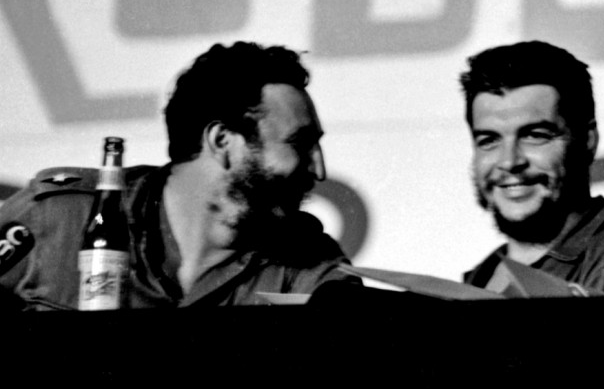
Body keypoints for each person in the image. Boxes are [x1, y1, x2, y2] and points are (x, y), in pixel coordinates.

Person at [0, 41, 360, 310]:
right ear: (222, 141)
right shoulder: (56, 220)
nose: (319, 169)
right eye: (300, 144)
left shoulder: (308, 265)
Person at [458, 40, 604, 295]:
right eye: (489, 140)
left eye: (535, 135)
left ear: (587, 141)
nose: (509, 162)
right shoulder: (481, 276)